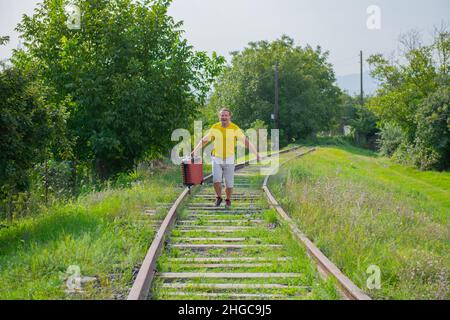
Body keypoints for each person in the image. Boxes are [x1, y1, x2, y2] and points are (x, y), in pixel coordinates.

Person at [191, 108, 260, 209]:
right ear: (219, 117)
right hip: (216, 158)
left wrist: (256, 153)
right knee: (216, 180)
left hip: (229, 159)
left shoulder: (235, 128)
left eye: (225, 115)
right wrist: (195, 150)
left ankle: (228, 199)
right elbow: (204, 140)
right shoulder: (215, 127)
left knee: (229, 184)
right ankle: (218, 197)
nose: (223, 117)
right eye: (222, 115)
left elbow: (246, 142)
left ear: (229, 116)